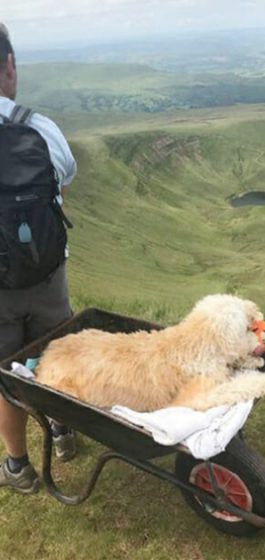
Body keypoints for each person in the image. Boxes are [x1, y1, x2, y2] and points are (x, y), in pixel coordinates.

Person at [0, 23, 78, 494]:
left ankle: (18, 468)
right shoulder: (38, 127)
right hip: (48, 273)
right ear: (9, 66)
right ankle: (64, 431)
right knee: (55, 353)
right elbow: (62, 181)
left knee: (7, 373)